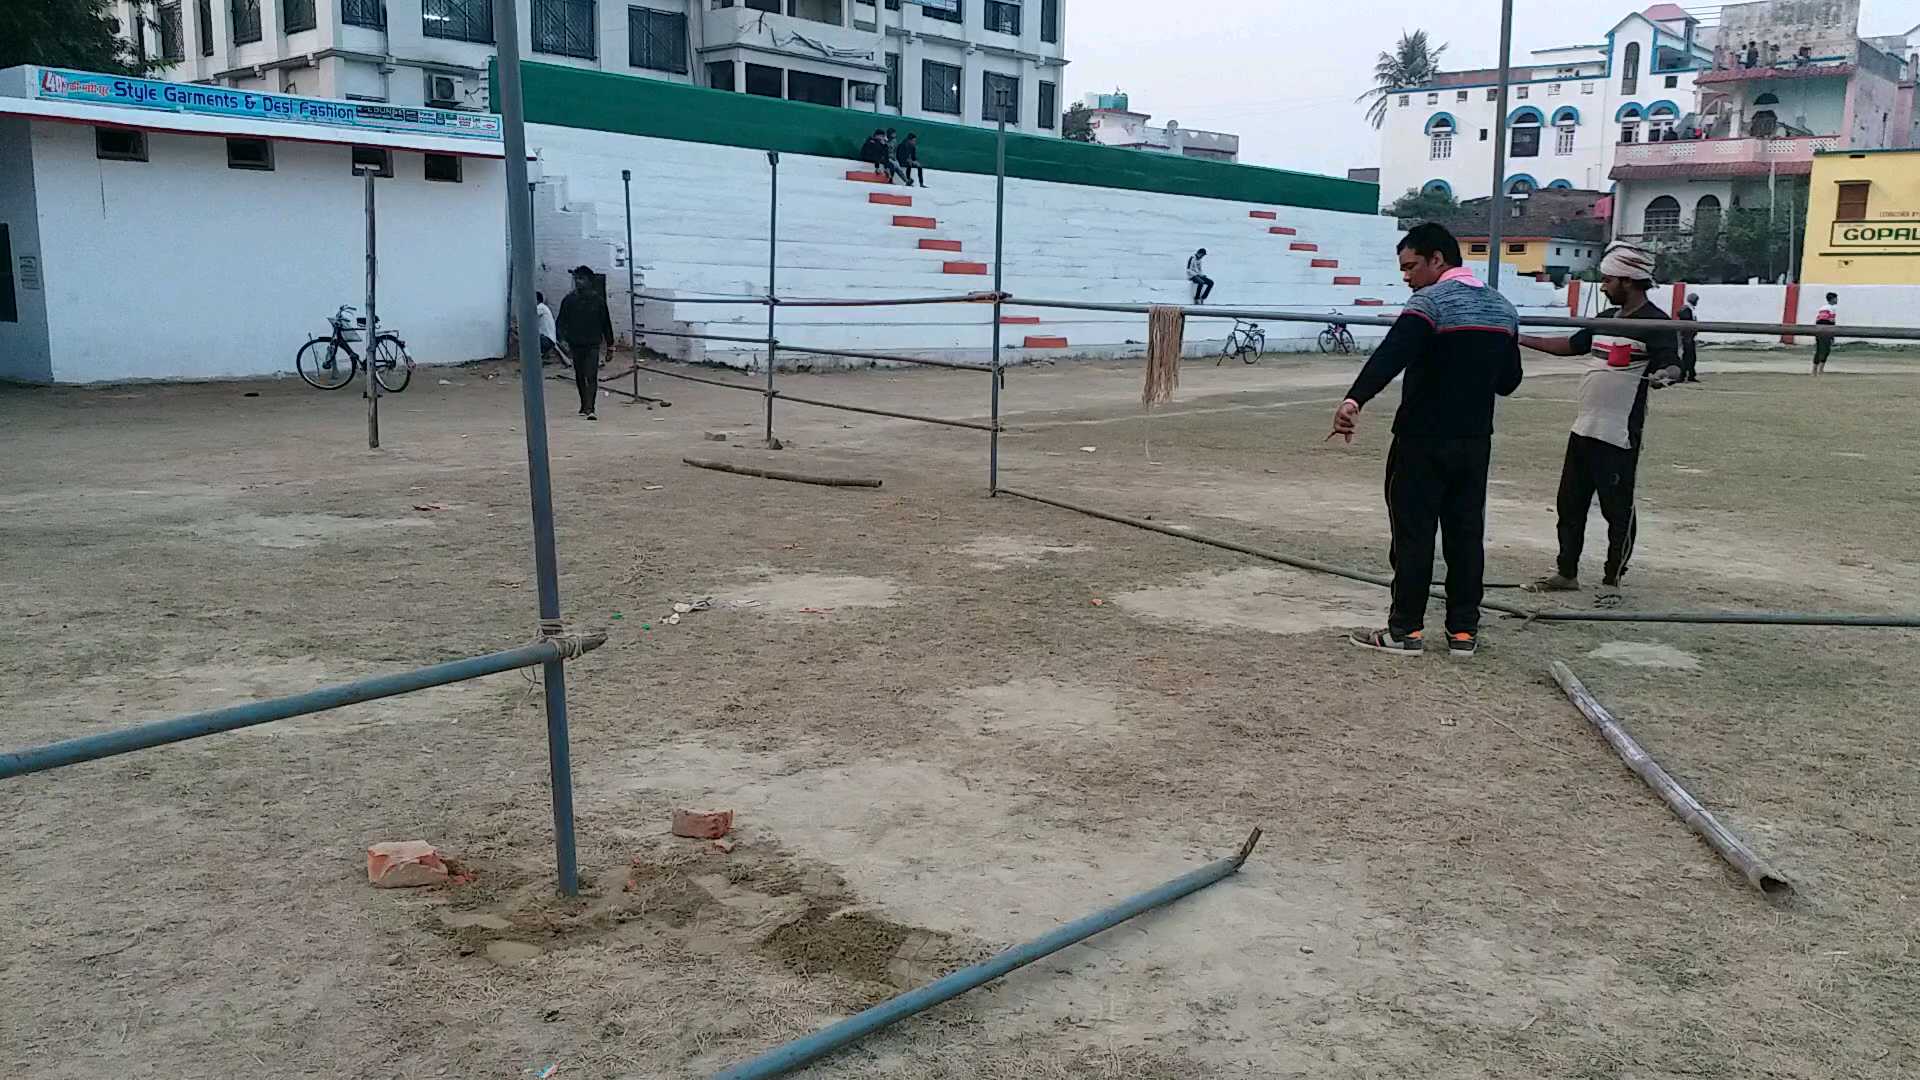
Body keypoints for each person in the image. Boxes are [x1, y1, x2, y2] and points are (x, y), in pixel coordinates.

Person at [1329, 223, 1523, 658]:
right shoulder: (1503, 308)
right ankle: (1463, 633)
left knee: (1414, 536)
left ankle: (1405, 631)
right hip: (1475, 442)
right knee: (1466, 535)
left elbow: (1390, 355)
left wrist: (1354, 400)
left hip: (1420, 440)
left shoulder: (1429, 303)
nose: (1407, 277)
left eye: (1412, 266)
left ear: (1439, 260)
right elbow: (1509, 382)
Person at [1518, 241, 1683, 606]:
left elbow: (1673, 363)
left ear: (1629, 280)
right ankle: (1566, 573)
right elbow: (1571, 345)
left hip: (1617, 433)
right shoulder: (1607, 317)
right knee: (1570, 504)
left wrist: (1664, 375)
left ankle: (1612, 579)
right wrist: (1519, 337)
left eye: (1609, 279)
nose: (1604, 285)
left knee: (1617, 508)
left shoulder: (1657, 323)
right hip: (1583, 429)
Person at [556, 265, 614, 421]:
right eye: (577, 279)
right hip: (575, 344)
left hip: (593, 344)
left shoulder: (598, 301)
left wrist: (610, 346)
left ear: (589, 281)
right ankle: (584, 404)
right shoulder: (569, 300)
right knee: (580, 376)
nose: (578, 282)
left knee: (591, 375)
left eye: (582, 278)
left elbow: (606, 324)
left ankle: (591, 408)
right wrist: (562, 340)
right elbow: (561, 322)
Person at [535, 291, 565, 367]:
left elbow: (530, 317)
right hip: (549, 340)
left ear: (537, 300)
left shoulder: (540, 307)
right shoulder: (543, 307)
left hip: (546, 340)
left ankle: (536, 361)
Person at [1676, 291, 1700, 382]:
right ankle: (1685, 375)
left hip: (1689, 336)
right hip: (1687, 337)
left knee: (1690, 356)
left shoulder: (1688, 309)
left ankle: (1689, 374)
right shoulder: (1686, 309)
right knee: (1689, 356)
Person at [1813, 292, 1838, 376]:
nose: (1837, 300)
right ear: (1832, 299)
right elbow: (1829, 321)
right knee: (1824, 350)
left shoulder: (1825, 308)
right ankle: (1819, 370)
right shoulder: (1830, 308)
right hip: (1825, 330)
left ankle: (1816, 370)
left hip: (1820, 330)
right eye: (1836, 298)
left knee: (1821, 350)